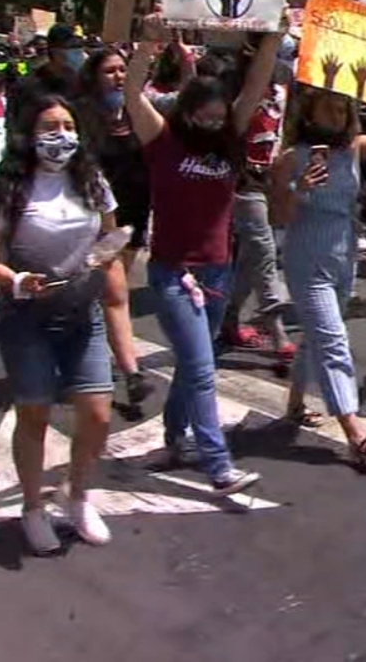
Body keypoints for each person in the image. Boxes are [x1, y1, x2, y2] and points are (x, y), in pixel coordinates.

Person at [0, 93, 125, 554]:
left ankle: (77, 495)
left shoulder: (92, 181)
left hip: (83, 313)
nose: (61, 136)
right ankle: (33, 508)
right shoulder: (7, 190)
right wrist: (14, 280)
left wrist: (102, 262)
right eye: (49, 128)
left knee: (97, 414)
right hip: (27, 318)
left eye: (68, 126)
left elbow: (111, 235)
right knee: (34, 415)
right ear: (29, 136)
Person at [123, 25, 276, 493]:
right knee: (202, 366)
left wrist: (272, 37)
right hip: (172, 273)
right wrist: (149, 43)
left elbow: (254, 86)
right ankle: (218, 464)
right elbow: (131, 91)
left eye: (218, 118)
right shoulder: (163, 141)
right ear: (187, 113)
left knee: (194, 364)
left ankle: (173, 439)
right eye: (204, 118)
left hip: (216, 271)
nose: (212, 125)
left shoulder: (228, 140)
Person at [270, 81, 366, 462]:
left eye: (343, 108)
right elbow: (279, 216)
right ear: (309, 112)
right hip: (307, 258)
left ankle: (296, 404)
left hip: (345, 255)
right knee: (333, 340)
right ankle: (354, 431)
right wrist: (299, 188)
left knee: (318, 336)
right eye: (330, 107)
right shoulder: (289, 159)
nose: (338, 115)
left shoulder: (353, 149)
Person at [77, 48, 151, 410]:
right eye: (110, 71)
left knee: (109, 294)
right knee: (115, 292)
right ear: (94, 77)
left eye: (124, 70)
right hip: (100, 219)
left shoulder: (138, 113)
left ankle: (91, 351)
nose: (119, 77)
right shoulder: (81, 117)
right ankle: (131, 373)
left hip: (136, 214)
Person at [222, 43, 302, 360]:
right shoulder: (237, 88)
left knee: (250, 258)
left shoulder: (282, 89)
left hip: (272, 181)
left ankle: (229, 317)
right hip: (244, 182)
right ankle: (276, 328)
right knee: (264, 251)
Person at [9, 24, 84, 119]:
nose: (77, 51)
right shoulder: (27, 85)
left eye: (79, 46)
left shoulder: (86, 85)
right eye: (71, 46)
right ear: (53, 49)